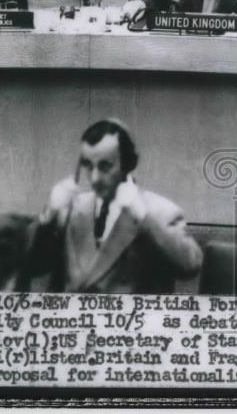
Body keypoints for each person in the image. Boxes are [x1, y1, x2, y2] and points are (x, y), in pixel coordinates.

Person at [22, 119, 203, 293]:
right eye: (87, 165)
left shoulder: (161, 211)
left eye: (105, 167)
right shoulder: (71, 208)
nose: (94, 179)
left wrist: (143, 217)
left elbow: (190, 266)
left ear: (128, 164)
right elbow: (29, 266)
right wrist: (48, 215)